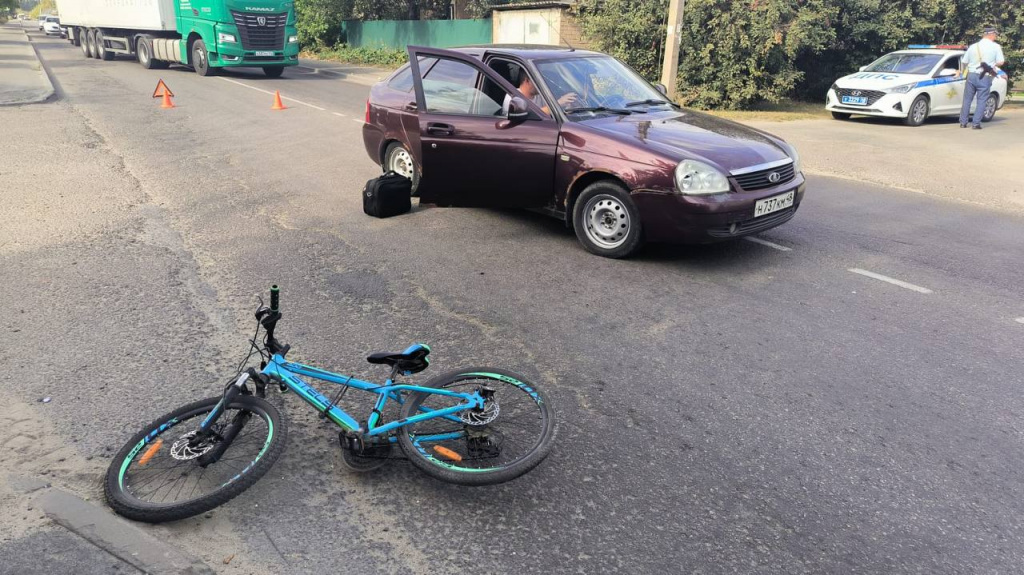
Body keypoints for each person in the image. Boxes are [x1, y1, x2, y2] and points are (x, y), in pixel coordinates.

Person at [959, 26, 1005, 130]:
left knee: (967, 99)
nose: (996, 37)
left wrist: (965, 72)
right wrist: (992, 65)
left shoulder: (973, 46)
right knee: (982, 100)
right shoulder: (996, 47)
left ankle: (963, 122)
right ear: (991, 34)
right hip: (985, 76)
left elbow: (964, 61)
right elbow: (1001, 62)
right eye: (995, 35)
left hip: (971, 75)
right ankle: (975, 124)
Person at [502, 70, 578, 116]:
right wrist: (557, 103)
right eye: (537, 81)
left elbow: (549, 113)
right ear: (527, 81)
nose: (540, 84)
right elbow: (529, 116)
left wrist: (566, 109)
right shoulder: (512, 96)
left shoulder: (539, 96)